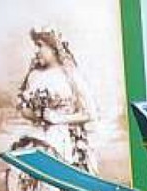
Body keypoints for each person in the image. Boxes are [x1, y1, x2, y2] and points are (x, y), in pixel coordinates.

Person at [15, 27, 98, 175]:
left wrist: (59, 118)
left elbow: (89, 113)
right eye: (36, 46)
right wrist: (39, 115)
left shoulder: (70, 75)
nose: (37, 51)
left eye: (40, 45)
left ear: (53, 48)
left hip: (66, 138)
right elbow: (24, 108)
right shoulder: (34, 76)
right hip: (39, 135)